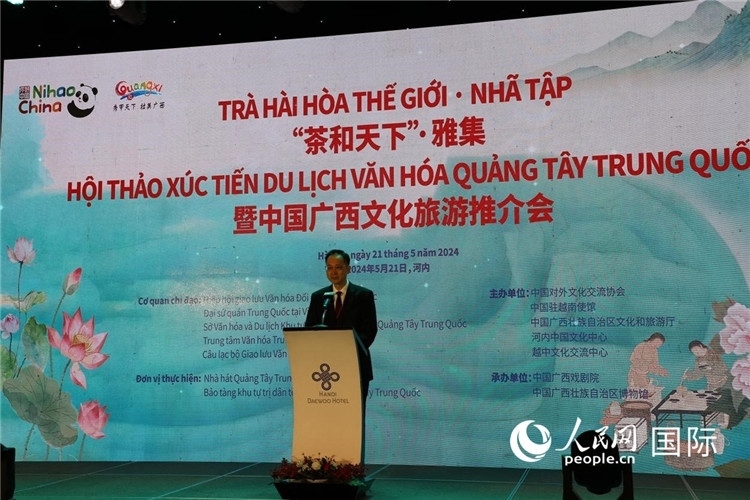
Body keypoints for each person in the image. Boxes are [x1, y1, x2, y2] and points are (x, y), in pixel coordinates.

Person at [304, 249, 378, 412]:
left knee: (354, 415)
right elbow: (309, 329)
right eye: (329, 267)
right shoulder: (319, 297)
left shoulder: (363, 296)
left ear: (348, 269)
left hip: (356, 366)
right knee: (330, 415)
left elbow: (369, 331)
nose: (333, 272)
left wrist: (347, 351)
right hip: (325, 367)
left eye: (338, 267)